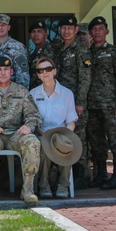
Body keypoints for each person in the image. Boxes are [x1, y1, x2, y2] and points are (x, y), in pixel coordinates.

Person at [0, 56, 41, 204]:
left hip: (15, 134)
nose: (3, 73)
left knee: (32, 141)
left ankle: (28, 189)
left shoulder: (21, 91)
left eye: (6, 69)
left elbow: (33, 115)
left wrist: (29, 126)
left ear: (11, 71)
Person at [85, 16, 116, 190]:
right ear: (90, 33)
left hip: (110, 105)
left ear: (107, 31)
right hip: (92, 105)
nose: (97, 32)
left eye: (100, 28)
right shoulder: (87, 53)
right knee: (96, 142)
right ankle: (101, 175)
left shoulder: (114, 52)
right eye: (94, 29)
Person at [30, 57, 78, 198]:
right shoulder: (33, 94)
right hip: (41, 132)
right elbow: (32, 120)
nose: (45, 73)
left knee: (65, 146)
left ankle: (63, 186)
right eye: (41, 70)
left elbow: (71, 121)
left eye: (48, 69)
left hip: (62, 133)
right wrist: (43, 133)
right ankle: (44, 186)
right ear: (38, 75)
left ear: (54, 71)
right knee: (45, 147)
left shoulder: (67, 94)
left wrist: (65, 135)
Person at [53, 14, 91, 185]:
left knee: (79, 136)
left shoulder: (81, 50)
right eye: (63, 28)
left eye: (69, 28)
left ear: (76, 30)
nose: (66, 31)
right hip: (60, 100)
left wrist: (80, 102)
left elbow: (85, 78)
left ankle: (81, 174)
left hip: (75, 101)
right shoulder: (59, 48)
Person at [0, 14, 30, 88]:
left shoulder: (17, 47)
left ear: (8, 27)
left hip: (11, 93)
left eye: (3, 25)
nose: (0, 27)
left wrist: (20, 96)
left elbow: (23, 77)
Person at [27, 20, 54, 89]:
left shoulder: (49, 52)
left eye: (39, 31)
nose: (36, 35)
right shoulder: (34, 53)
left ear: (45, 35)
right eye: (33, 32)